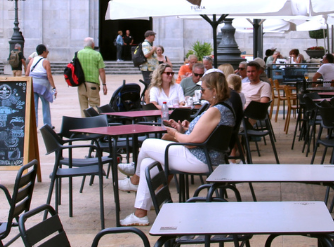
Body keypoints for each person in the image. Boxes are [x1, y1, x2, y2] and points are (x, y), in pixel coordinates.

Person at [117, 72, 235, 225]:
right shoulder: (218, 108)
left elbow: (192, 142)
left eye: (204, 89)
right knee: (147, 163)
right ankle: (140, 214)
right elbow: (203, 135)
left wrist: (175, 134)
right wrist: (182, 129)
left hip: (200, 157)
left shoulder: (215, 110)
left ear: (214, 91)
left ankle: (134, 180)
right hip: (203, 155)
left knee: (147, 144)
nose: (201, 92)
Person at [27, 44, 56, 128]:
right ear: (43, 52)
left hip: (33, 86)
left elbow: (26, 73)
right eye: (47, 51)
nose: (47, 53)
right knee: (45, 105)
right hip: (43, 87)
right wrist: (53, 87)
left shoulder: (31, 61)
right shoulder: (45, 62)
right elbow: (49, 75)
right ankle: (47, 124)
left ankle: (33, 125)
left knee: (34, 106)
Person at [75, 37, 107, 113]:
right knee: (94, 105)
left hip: (81, 84)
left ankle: (84, 123)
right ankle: (94, 123)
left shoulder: (77, 54)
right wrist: (104, 84)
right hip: (93, 84)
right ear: (92, 45)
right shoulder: (97, 54)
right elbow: (101, 70)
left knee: (83, 107)